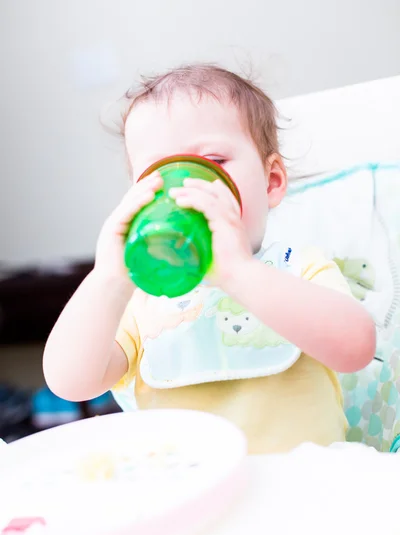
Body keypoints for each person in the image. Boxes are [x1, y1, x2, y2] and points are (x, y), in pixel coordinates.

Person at [43, 64, 376, 453]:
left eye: (214, 162)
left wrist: (239, 272)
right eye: (159, 172)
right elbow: (70, 382)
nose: (186, 188)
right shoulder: (141, 299)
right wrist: (107, 279)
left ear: (271, 182)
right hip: (190, 497)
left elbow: (355, 348)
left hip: (299, 490)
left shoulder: (298, 268)